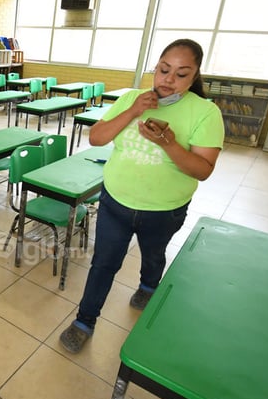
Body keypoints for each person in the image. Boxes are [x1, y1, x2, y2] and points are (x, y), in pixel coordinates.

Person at [60, 38, 224, 354]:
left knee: (153, 254)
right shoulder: (133, 99)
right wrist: (134, 109)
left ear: (195, 76)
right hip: (116, 202)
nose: (168, 80)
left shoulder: (206, 112)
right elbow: (96, 137)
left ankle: (148, 286)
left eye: (181, 74)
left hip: (164, 210)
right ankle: (84, 321)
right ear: (156, 67)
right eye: (164, 70)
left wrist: (169, 144)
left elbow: (203, 170)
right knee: (103, 263)